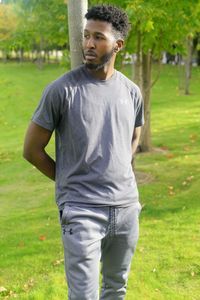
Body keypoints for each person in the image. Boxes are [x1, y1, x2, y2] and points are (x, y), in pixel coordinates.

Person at [23, 4, 144, 300]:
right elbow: (31, 150)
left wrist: (121, 168)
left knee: (116, 289)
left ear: (118, 45)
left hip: (126, 209)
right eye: (86, 36)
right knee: (83, 296)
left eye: (98, 37)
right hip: (82, 211)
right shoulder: (61, 91)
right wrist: (69, 182)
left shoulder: (131, 92)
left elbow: (135, 133)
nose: (89, 44)